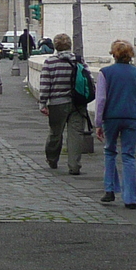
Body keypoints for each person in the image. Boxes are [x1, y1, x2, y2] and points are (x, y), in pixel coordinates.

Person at [96, 39, 136, 209]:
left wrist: (98, 122)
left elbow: (101, 100)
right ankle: (130, 198)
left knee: (110, 151)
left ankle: (110, 189)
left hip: (112, 117)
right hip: (133, 117)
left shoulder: (105, 73)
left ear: (114, 54)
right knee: (129, 156)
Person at [37, 32, 85, 175]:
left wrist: (43, 103)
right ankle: (74, 165)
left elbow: (45, 84)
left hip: (57, 103)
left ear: (56, 46)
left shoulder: (50, 62)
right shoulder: (78, 60)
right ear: (70, 45)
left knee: (55, 133)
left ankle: (52, 159)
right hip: (78, 103)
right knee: (76, 134)